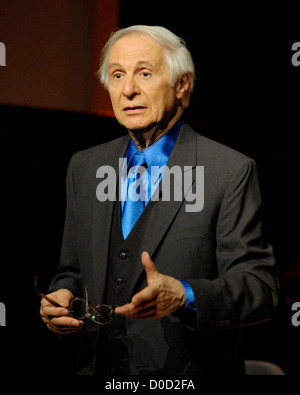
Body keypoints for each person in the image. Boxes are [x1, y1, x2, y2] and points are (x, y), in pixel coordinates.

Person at [39, 25, 279, 375]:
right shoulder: (86, 166)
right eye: (118, 75)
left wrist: (185, 295)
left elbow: (260, 289)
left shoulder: (228, 171)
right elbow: (73, 270)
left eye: (145, 73)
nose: (129, 89)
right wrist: (62, 296)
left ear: (182, 84)